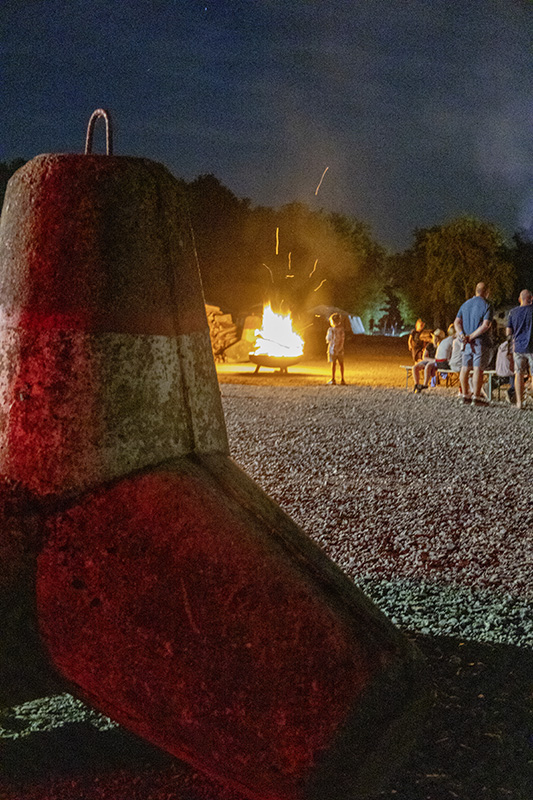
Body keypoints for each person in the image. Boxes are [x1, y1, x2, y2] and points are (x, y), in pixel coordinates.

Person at [454, 282, 493, 405]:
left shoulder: (465, 304)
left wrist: (461, 335)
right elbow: (485, 325)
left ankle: (464, 395)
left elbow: (456, 322)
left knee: (465, 368)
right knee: (477, 369)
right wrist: (472, 336)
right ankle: (476, 397)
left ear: (476, 291)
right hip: (479, 342)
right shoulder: (487, 305)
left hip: (465, 342)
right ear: (486, 292)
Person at [506, 289, 533, 410]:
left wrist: (509, 346)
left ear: (519, 299)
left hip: (518, 348)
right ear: (531, 298)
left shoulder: (512, 312)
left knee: (519, 374)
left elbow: (508, 332)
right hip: (531, 347)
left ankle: (519, 402)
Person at [326, 313, 346, 385]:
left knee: (333, 364)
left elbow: (328, 339)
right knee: (341, 364)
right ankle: (342, 379)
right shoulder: (341, 330)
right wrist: (340, 347)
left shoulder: (331, 330)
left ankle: (333, 379)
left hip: (333, 349)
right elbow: (342, 340)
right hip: (340, 349)